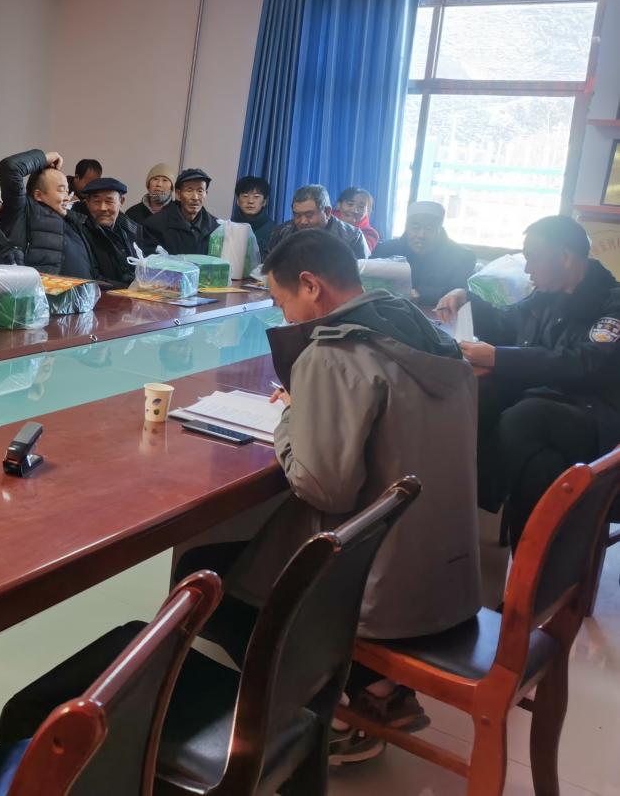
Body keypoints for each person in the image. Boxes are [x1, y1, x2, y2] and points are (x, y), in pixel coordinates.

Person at [180, 229, 479, 761]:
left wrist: (291, 416)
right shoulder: (429, 334)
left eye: (282, 301)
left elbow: (323, 487)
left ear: (311, 285)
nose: (285, 315)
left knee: (204, 579)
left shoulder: (334, 352)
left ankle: (318, 715)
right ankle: (377, 687)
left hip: (379, 591)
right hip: (444, 573)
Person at [436, 215, 620, 548]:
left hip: (596, 414)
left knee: (524, 417)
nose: (527, 269)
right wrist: (465, 297)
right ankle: (530, 558)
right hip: (546, 405)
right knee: (533, 459)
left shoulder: (611, 302)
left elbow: (584, 363)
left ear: (565, 257)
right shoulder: (548, 294)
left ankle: (509, 526)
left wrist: (499, 358)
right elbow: (508, 323)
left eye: (533, 258)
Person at [0, 148, 95, 277]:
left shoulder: (76, 221)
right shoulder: (23, 210)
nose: (67, 197)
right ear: (38, 195)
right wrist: (46, 158)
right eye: (61, 190)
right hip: (39, 288)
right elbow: (10, 168)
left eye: (67, 191)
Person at [373, 201, 475, 307]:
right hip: (387, 309)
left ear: (440, 229)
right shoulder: (385, 249)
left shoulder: (462, 256)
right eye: (415, 228)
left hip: (437, 313)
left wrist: (422, 295)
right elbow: (368, 281)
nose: (421, 235)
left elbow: (459, 293)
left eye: (429, 229)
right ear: (407, 227)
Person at [267, 184, 371, 260]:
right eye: (297, 215)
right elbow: (266, 269)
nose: (303, 221)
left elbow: (362, 278)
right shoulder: (282, 232)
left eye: (309, 215)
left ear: (327, 212)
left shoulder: (353, 237)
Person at [79, 177, 143, 286]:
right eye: (96, 201)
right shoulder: (80, 232)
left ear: (121, 201)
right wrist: (131, 289)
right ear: (88, 203)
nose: (103, 208)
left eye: (109, 201)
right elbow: (92, 278)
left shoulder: (132, 231)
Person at [142, 168, 219, 255]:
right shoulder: (155, 225)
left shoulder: (216, 228)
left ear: (206, 194)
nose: (195, 197)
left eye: (200, 191)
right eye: (189, 191)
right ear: (178, 194)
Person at [232, 175, 275, 256]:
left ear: (264, 202)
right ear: (238, 201)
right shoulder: (228, 227)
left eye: (256, 196)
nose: (250, 201)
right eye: (245, 196)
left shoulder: (274, 231)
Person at [335, 187, 380, 252]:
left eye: (361, 206)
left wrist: (347, 227)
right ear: (338, 205)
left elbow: (361, 253)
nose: (355, 211)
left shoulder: (370, 233)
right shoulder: (325, 219)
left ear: (368, 211)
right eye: (350, 204)